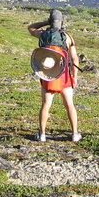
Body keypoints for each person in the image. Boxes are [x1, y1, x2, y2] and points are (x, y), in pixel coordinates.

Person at [28, 9, 82, 143]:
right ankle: (75, 133)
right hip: (64, 75)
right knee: (69, 104)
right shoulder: (67, 37)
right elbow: (75, 59)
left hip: (48, 74)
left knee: (46, 104)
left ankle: (42, 134)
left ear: (50, 21)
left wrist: (46, 22)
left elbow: (30, 28)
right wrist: (74, 77)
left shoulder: (42, 34)